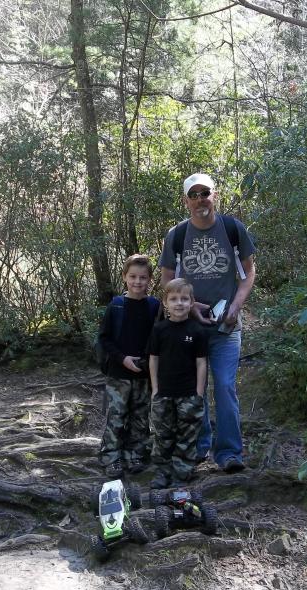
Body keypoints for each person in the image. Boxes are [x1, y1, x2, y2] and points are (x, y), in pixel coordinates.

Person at [158, 173, 256, 473]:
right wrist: (192, 307)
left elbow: (249, 272)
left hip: (226, 329)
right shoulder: (176, 235)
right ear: (186, 201)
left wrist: (236, 306)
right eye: (194, 194)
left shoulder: (232, 228)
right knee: (193, 388)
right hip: (190, 328)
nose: (200, 199)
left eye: (205, 193)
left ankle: (229, 453)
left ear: (215, 195)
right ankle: (199, 448)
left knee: (225, 387)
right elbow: (166, 281)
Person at [98, 254, 161, 478]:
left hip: (144, 374)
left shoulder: (154, 306)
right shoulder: (116, 305)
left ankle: (137, 454)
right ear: (124, 277)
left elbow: (158, 338)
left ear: (150, 279)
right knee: (116, 415)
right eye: (133, 276)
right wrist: (123, 358)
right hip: (118, 373)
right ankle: (111, 456)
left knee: (140, 415)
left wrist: (147, 362)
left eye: (143, 277)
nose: (137, 282)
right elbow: (104, 339)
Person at [147, 278, 208, 489]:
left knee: (187, 436)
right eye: (174, 299)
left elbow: (201, 363)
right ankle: (162, 472)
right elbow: (153, 359)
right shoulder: (159, 329)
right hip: (163, 393)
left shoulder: (197, 330)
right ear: (166, 302)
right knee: (163, 436)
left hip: (189, 394)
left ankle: (181, 472)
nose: (179, 303)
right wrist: (155, 388)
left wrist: (199, 393)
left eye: (184, 299)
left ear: (192, 303)